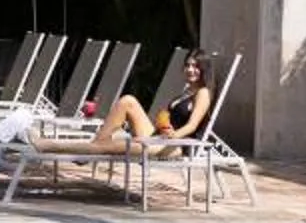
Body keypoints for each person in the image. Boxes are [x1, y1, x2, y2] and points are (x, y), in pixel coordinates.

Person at [88, 52, 216, 151]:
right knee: (128, 101)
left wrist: (173, 136)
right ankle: (95, 145)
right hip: (159, 136)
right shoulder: (187, 91)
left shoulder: (203, 93)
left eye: (195, 66)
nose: (190, 69)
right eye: (187, 65)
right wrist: (162, 123)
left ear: (204, 69)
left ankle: (92, 149)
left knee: (120, 145)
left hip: (175, 145)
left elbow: (192, 125)